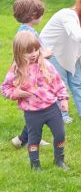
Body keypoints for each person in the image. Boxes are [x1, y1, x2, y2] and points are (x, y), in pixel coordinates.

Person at [2, 32, 70, 171]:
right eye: (28, 52)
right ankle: (35, 165)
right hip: (32, 113)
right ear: (18, 52)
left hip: (51, 108)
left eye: (35, 49)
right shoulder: (16, 69)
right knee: (34, 139)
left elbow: (58, 83)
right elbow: (5, 88)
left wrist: (63, 99)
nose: (33, 54)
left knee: (60, 134)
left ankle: (59, 160)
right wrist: (16, 93)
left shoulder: (46, 65)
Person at [10, 0, 52, 148]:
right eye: (39, 14)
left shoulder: (25, 30)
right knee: (36, 109)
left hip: (32, 75)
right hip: (32, 77)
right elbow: (28, 56)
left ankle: (23, 138)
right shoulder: (28, 33)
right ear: (32, 15)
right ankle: (27, 138)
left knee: (35, 108)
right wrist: (47, 53)